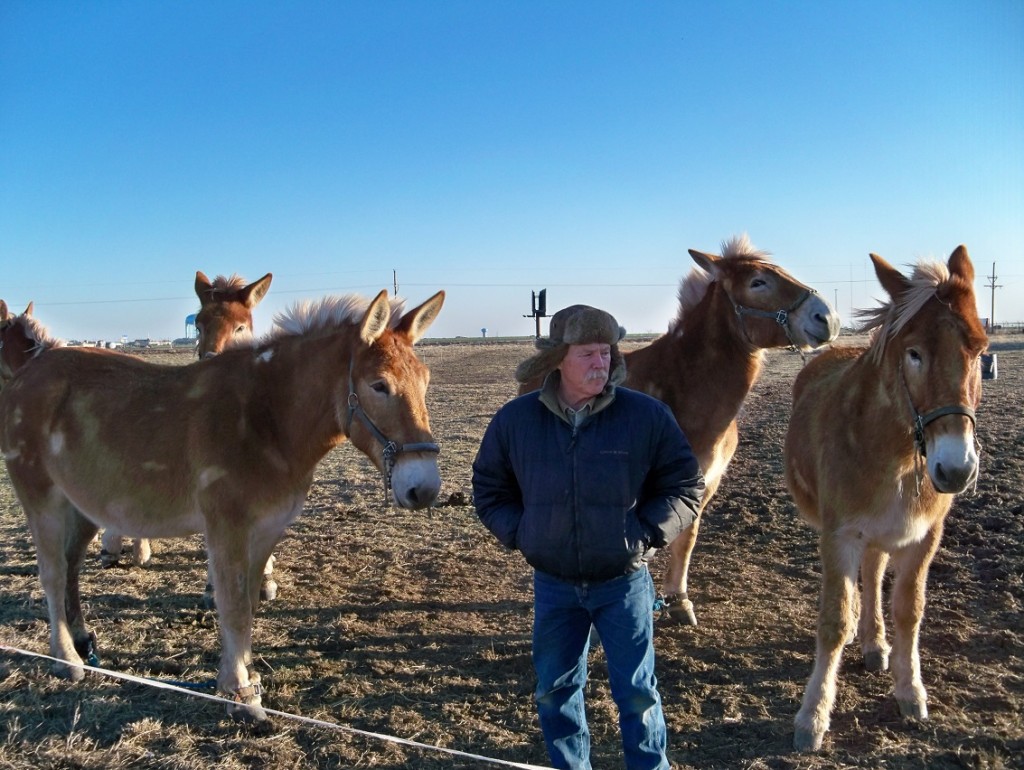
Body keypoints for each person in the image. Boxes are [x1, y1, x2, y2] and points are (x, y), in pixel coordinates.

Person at [472, 304, 705, 770]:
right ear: (558, 358)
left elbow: (685, 486)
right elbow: (489, 488)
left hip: (623, 581)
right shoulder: (516, 421)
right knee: (555, 692)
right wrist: (524, 535)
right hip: (553, 585)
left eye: (606, 352)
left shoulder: (646, 416)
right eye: (587, 353)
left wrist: (644, 536)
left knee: (638, 694)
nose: (602, 362)